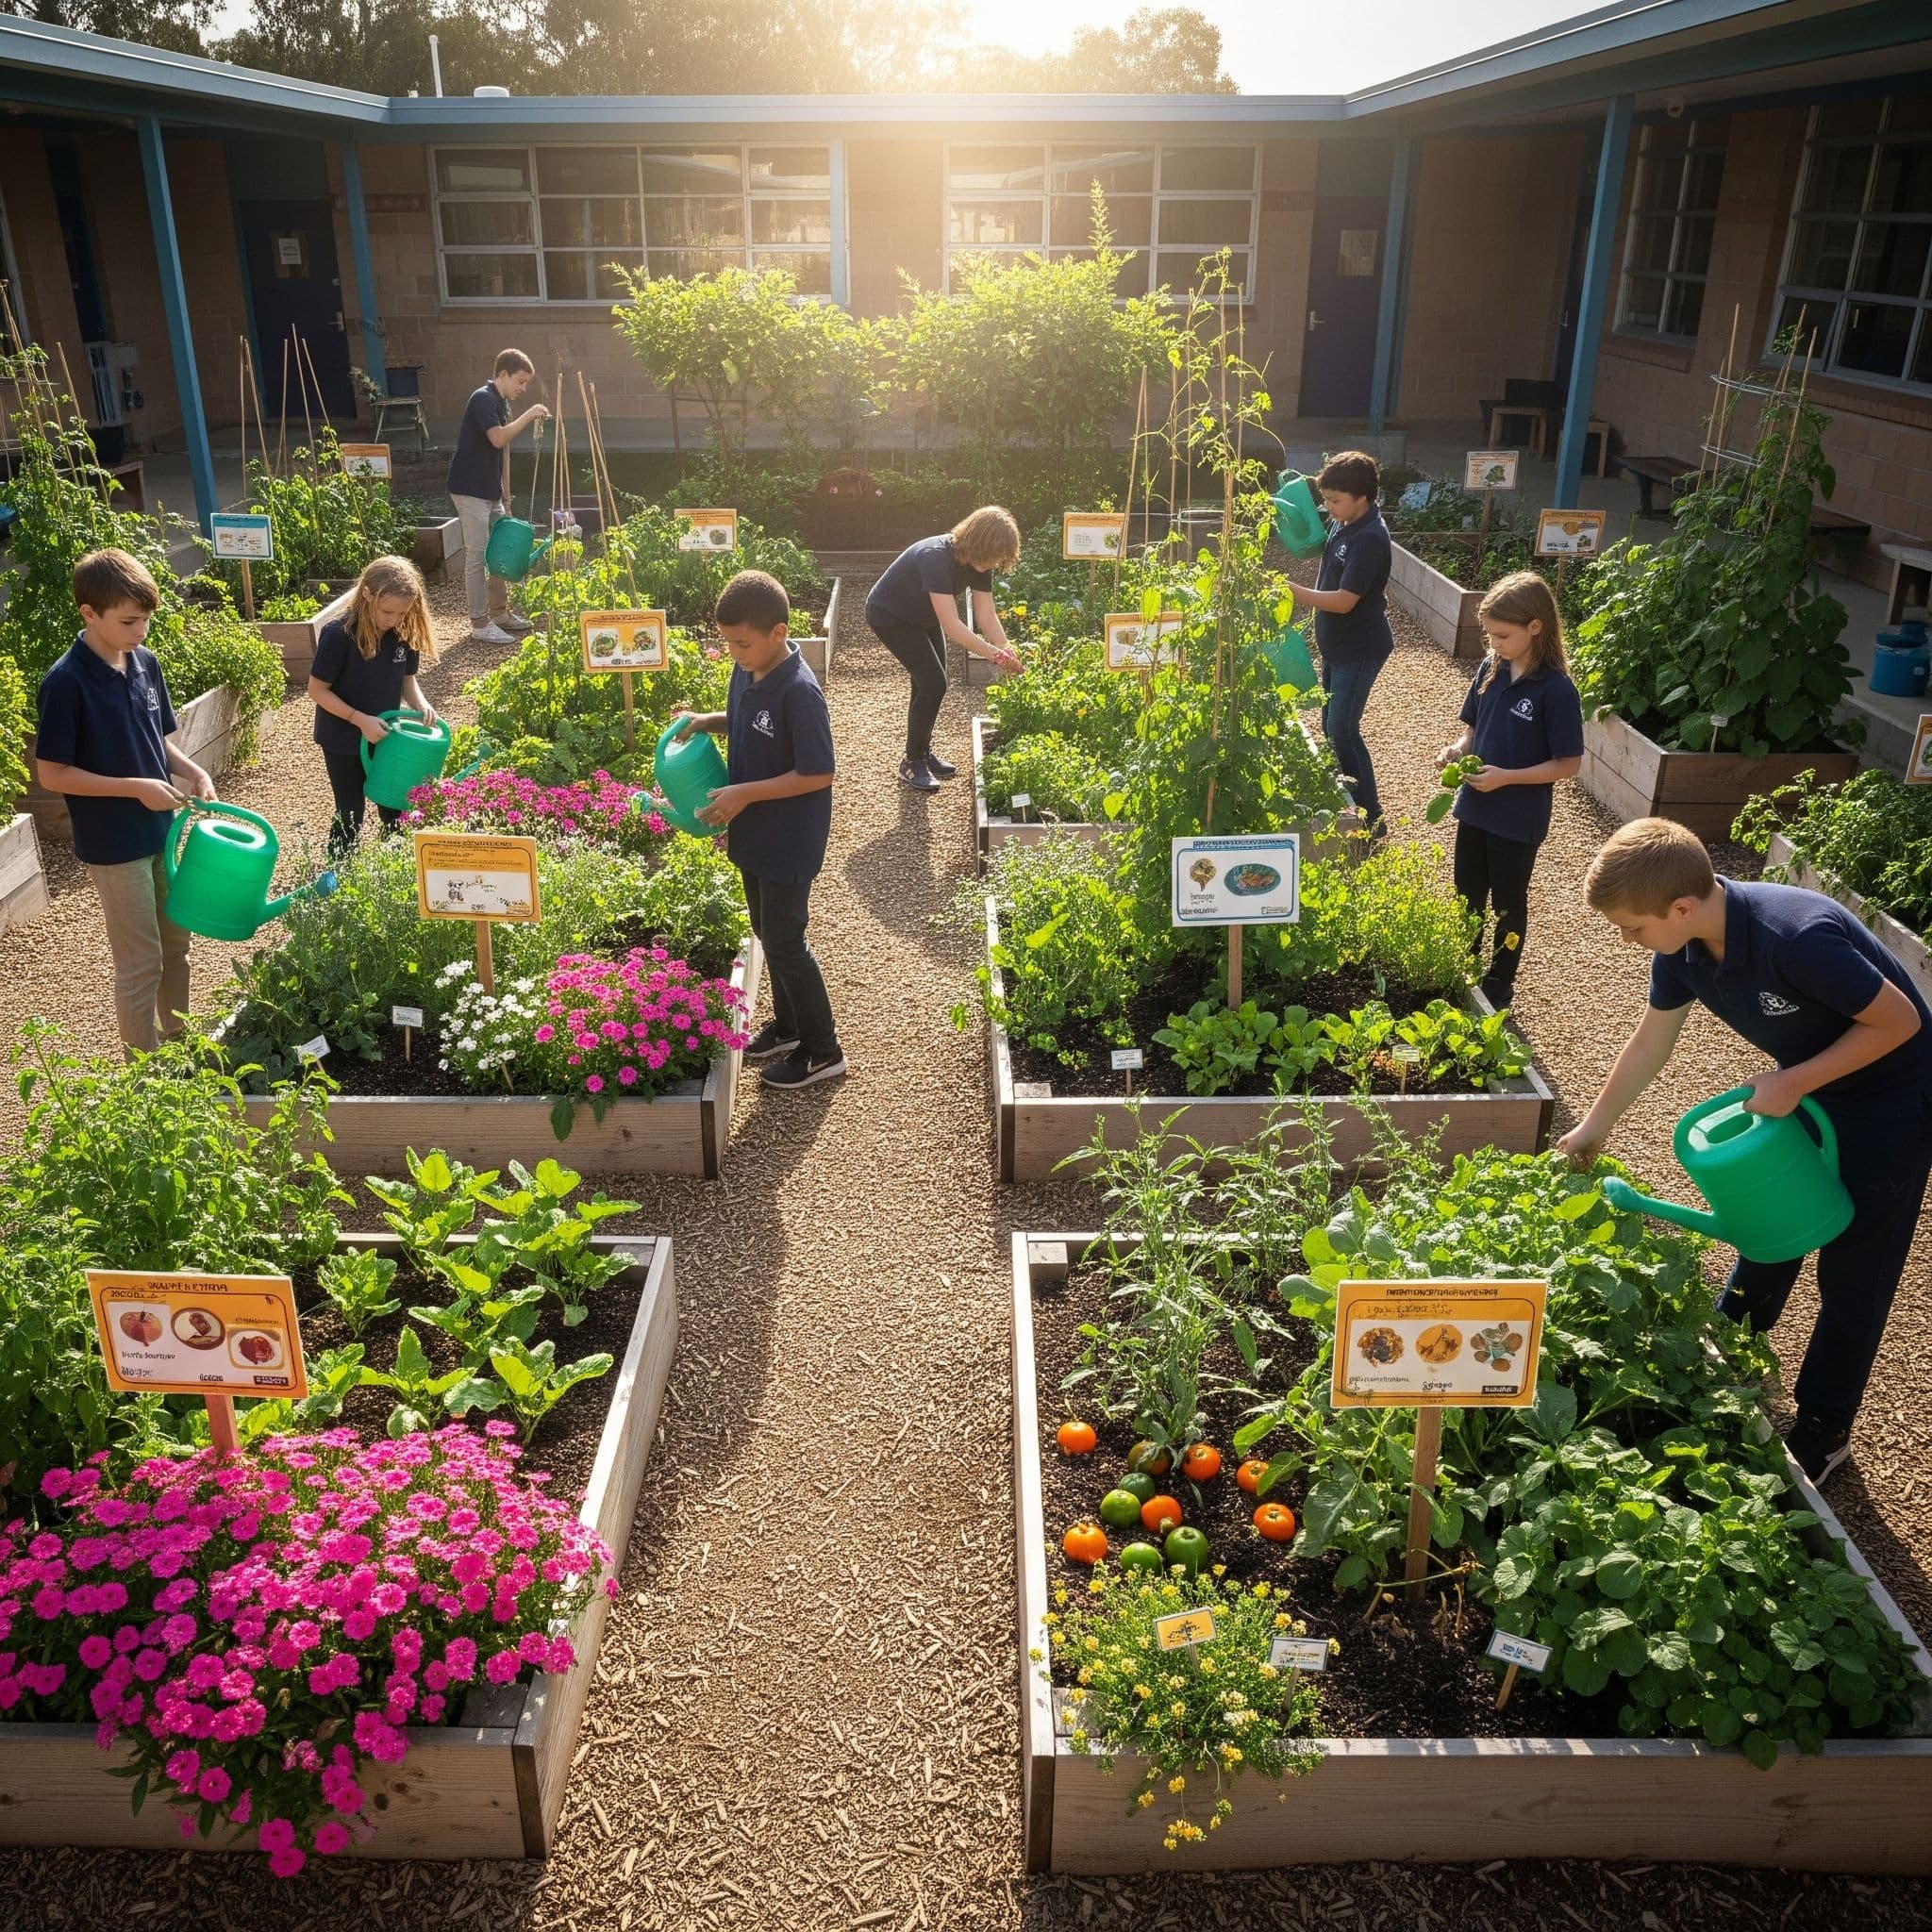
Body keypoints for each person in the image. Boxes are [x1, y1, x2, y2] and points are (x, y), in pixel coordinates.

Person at [1557, 818, 1932, 1484]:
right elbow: (1651, 1042)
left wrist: (1793, 1080)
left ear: (1682, 907)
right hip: (1813, 1089)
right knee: (1771, 1221)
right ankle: (1730, 1346)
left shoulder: (1795, 937)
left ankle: (1824, 1426)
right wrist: (1595, 1127)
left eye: (1632, 927)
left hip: (1896, 1103)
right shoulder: (1682, 950)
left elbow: (1901, 1021)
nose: (1626, 940)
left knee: (1855, 1271)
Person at [33, 547, 218, 1056]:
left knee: (177, 946)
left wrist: (193, 769)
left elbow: (157, 739)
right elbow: (51, 773)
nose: (141, 632)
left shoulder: (144, 663)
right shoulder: (65, 682)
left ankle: (180, 1043)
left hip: (164, 831)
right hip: (115, 845)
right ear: (88, 614)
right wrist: (135, 787)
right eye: (129, 621)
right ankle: (146, 1069)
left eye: (147, 620)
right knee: (141, 961)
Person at [670, 570, 844, 1091]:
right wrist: (706, 719)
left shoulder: (800, 691)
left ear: (778, 632)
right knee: (767, 931)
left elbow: (819, 771)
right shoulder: (748, 671)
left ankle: (823, 1050)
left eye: (741, 643)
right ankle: (789, 1027)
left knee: (787, 941)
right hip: (755, 832)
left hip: (789, 836)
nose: (733, 653)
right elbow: (745, 720)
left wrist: (744, 793)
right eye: (727, 643)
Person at [1435, 571, 1583, 1008]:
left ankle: (1499, 982)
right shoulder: (1491, 667)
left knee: (1508, 903)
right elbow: (1472, 728)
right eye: (1490, 634)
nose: (1493, 643)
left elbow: (1568, 764)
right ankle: (1460, 964)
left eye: (1502, 635)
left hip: (1517, 818)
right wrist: (1457, 749)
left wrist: (1506, 777)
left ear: (1535, 627)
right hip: (1474, 806)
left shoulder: (1556, 689)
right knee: (1466, 892)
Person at [863, 507, 1024, 793]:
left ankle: (922, 752)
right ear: (981, 544)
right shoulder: (935, 557)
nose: (997, 563)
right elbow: (951, 623)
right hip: (890, 615)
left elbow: (986, 616)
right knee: (934, 682)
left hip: (922, 617)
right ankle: (912, 763)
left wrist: (1008, 650)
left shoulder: (979, 564)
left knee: (928, 682)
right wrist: (993, 655)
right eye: (996, 556)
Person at [1287, 451, 1393, 837]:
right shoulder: (1345, 522)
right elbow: (1325, 556)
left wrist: (1292, 591)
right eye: (1325, 499)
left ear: (1362, 497)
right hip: (1338, 645)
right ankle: (1349, 797)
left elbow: (1346, 599)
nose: (1328, 507)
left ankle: (1371, 816)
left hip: (1360, 647)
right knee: (1332, 726)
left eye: (1334, 500)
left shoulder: (1369, 539)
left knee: (1343, 728)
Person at [308, 555, 440, 860]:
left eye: (401, 612)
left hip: (386, 736)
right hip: (342, 739)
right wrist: (359, 719)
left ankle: (393, 869)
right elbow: (317, 690)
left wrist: (421, 705)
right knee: (350, 810)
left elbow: (408, 681)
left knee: (395, 808)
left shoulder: (403, 632)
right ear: (367, 594)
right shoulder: (338, 634)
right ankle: (338, 871)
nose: (393, 619)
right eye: (387, 611)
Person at [446, 348, 549, 646]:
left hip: (491, 492)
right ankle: (479, 623)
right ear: (502, 374)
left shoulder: (501, 402)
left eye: (526, 383)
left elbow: (504, 451)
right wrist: (530, 415)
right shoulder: (482, 398)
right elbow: (498, 437)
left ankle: (500, 613)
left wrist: (506, 493)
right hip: (470, 490)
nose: (523, 388)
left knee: (502, 550)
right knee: (478, 554)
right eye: (520, 381)